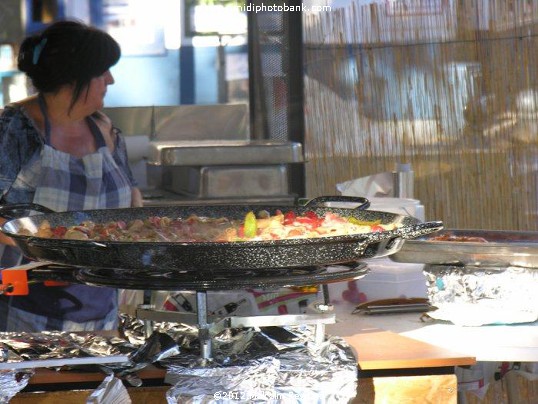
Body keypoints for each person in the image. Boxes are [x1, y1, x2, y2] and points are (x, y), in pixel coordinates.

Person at [0, 20, 142, 332]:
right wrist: (58, 249)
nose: (111, 79)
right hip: (23, 313)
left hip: (102, 310)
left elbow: (132, 201)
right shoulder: (14, 130)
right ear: (72, 78)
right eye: (101, 71)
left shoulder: (104, 129)